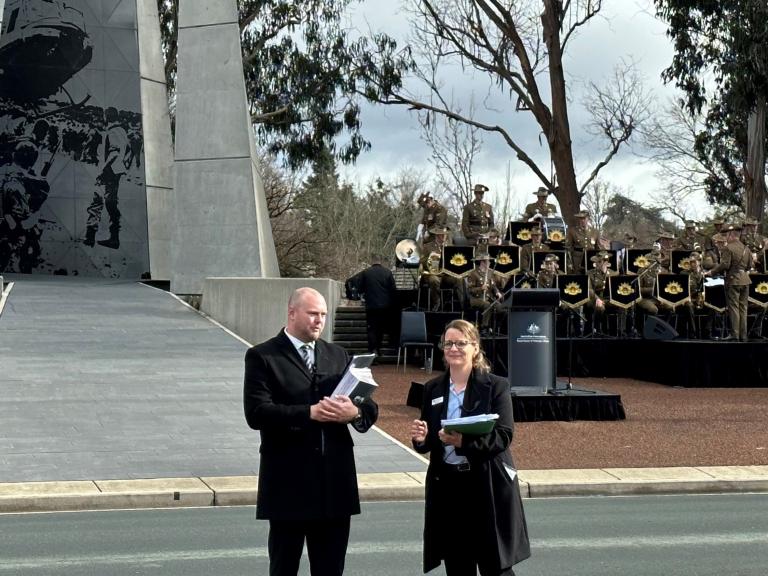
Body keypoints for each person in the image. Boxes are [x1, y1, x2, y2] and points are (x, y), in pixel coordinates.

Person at [243, 287, 379, 576]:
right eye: (313, 314)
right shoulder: (263, 356)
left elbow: (369, 408)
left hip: (334, 484)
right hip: (288, 483)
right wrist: (309, 413)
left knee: (330, 569)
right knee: (284, 567)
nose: (319, 321)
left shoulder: (338, 355)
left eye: (324, 315)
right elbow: (256, 413)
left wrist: (353, 413)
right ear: (292, 313)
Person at [410, 319, 530, 576]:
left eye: (461, 343)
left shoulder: (496, 386)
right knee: (457, 565)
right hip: (449, 489)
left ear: (475, 347)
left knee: (494, 566)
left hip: (486, 485)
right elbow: (432, 439)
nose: (454, 348)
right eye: (448, 343)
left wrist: (464, 443)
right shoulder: (433, 389)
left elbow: (504, 436)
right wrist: (421, 439)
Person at [83, 107, 130, 249]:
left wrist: (102, 169)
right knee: (111, 205)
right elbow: (128, 151)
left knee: (96, 201)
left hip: (108, 172)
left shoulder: (112, 132)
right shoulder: (122, 131)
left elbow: (114, 152)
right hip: (117, 172)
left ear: (107, 117)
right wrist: (123, 166)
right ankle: (114, 239)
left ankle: (90, 237)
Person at [706, 225, 752, 341]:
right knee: (743, 308)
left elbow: (725, 265)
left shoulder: (728, 248)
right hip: (745, 280)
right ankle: (743, 335)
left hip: (733, 280)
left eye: (727, 235)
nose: (725, 238)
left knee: (734, 308)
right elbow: (749, 266)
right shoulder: (746, 249)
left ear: (731, 235)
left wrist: (711, 272)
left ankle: (735, 335)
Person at [358, 254, 398, 355]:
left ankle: (372, 350)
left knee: (371, 328)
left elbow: (360, 288)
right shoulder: (387, 272)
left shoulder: (366, 273)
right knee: (380, 329)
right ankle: (379, 349)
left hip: (371, 305)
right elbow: (393, 289)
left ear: (372, 261)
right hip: (384, 306)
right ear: (381, 261)